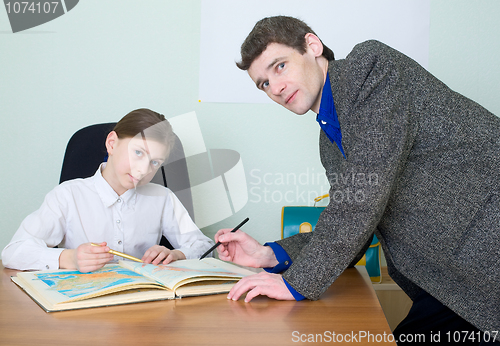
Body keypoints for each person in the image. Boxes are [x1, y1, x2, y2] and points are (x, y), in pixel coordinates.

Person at [215, 16, 500, 344]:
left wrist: (297, 282)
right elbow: (356, 225)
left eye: (279, 66)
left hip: (486, 250)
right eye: (263, 83)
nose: (275, 88)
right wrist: (272, 255)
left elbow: (362, 199)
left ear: (312, 46)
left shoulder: (371, 69)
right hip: (449, 282)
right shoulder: (329, 145)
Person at [2, 108, 214, 273]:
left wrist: (177, 254)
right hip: (83, 310)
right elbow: (13, 252)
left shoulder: (163, 198)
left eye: (155, 162)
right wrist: (70, 258)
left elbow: (203, 246)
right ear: (112, 144)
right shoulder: (67, 196)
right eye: (138, 153)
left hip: (141, 310)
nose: (143, 170)